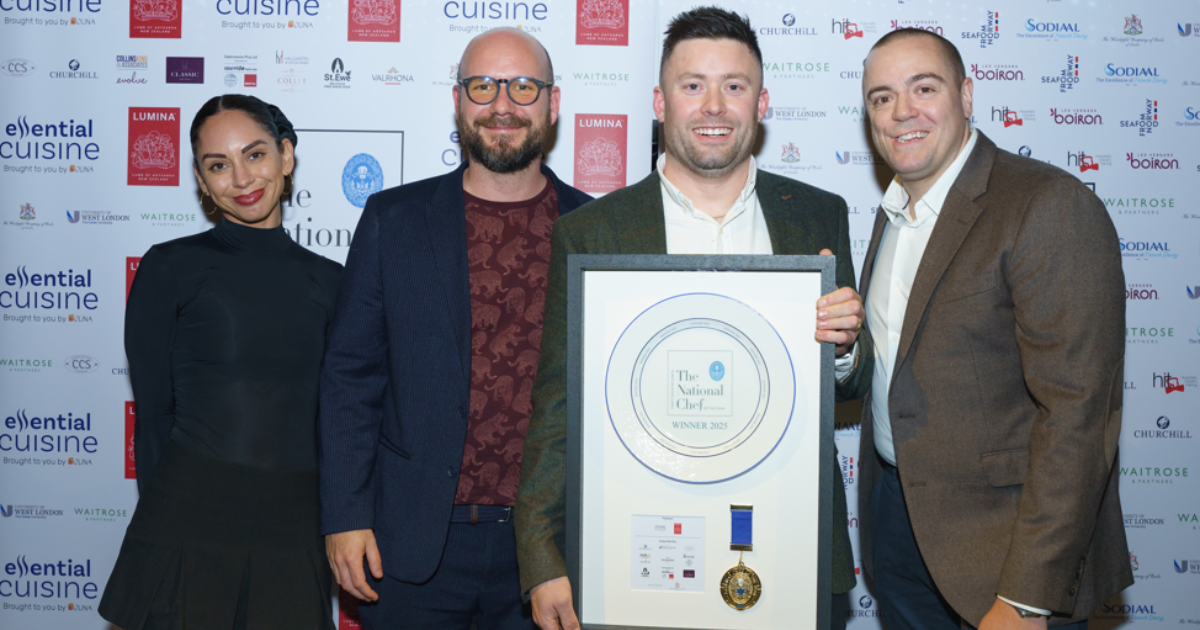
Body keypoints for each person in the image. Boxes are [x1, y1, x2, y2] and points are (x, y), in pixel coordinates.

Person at [514, 8, 871, 630]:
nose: (714, 106)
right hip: (637, 549)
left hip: (788, 548)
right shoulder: (592, 233)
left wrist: (843, 347)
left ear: (761, 105)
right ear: (659, 101)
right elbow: (556, 407)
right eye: (692, 86)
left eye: (734, 86)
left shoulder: (816, 216)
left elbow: (851, 388)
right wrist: (542, 557)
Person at [853, 28, 1131, 629]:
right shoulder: (894, 214)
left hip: (1003, 551)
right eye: (881, 97)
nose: (902, 112)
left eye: (923, 88)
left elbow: (1079, 415)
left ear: (967, 94)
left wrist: (1029, 595)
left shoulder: (1046, 204)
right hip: (899, 527)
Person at [319, 27, 592, 630]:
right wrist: (344, 514)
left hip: (550, 553)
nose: (502, 105)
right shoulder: (394, 221)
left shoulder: (595, 230)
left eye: (523, 87)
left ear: (553, 104)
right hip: (410, 547)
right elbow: (350, 381)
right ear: (457, 101)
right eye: (482, 86)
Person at [99, 94, 342, 630]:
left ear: (286, 155)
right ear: (202, 181)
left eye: (254, 155)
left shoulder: (333, 282)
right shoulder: (170, 268)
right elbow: (154, 417)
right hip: (189, 516)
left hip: (294, 523)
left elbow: (339, 420)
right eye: (218, 165)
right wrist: (168, 527)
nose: (241, 177)